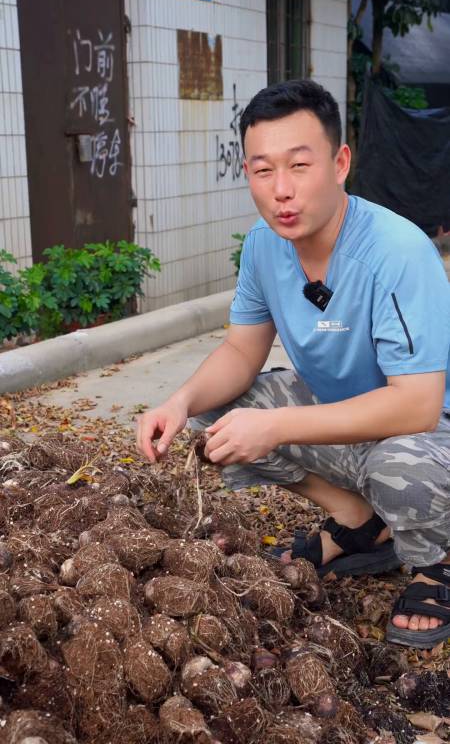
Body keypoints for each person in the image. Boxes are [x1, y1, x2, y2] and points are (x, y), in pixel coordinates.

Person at [137, 79, 450, 649]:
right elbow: (240, 350)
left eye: (299, 165)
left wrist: (276, 427)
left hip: (431, 434)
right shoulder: (263, 246)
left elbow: (418, 404)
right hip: (344, 421)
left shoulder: (397, 252)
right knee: (219, 412)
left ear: (340, 163)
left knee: (400, 465)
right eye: (262, 170)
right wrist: (179, 401)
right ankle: (360, 524)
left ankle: (436, 564)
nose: (282, 190)